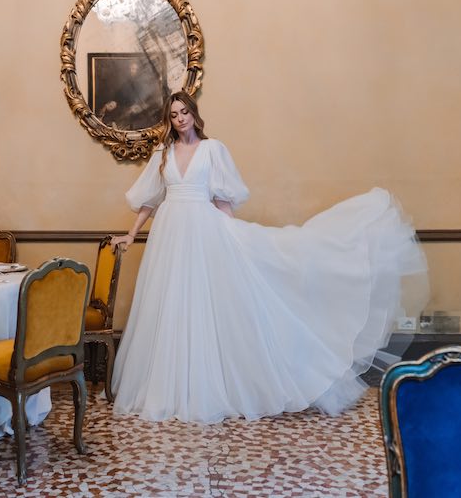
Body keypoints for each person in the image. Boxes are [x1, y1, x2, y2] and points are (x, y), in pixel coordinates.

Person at [110, 91, 428, 423]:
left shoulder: (213, 149)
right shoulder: (163, 153)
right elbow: (150, 199)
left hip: (205, 233)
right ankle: (170, 388)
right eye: (174, 114)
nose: (180, 119)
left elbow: (222, 201)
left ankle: (211, 386)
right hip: (170, 236)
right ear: (169, 120)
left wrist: (236, 239)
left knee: (209, 306)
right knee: (173, 306)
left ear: (194, 113)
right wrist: (132, 234)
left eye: (185, 112)